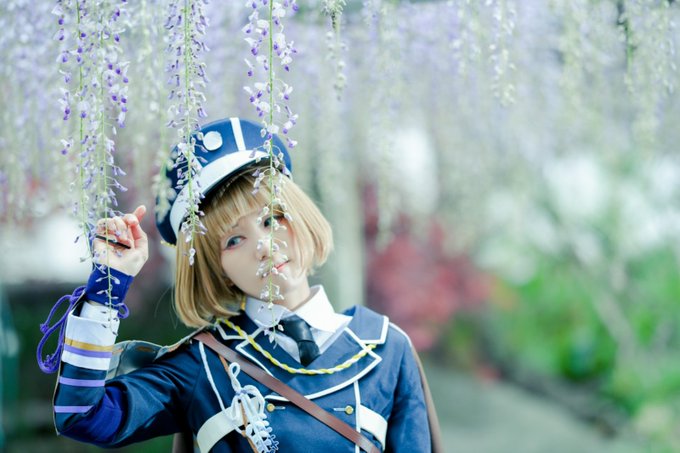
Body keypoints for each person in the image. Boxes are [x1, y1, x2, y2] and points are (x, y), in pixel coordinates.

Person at [37, 117, 439, 452]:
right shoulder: (203, 362)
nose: (264, 246)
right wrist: (108, 287)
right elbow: (81, 415)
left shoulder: (385, 348)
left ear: (301, 214)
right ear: (216, 268)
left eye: (272, 218)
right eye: (233, 240)